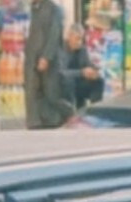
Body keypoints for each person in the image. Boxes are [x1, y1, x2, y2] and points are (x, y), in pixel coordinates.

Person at [24, 0, 66, 129]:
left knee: (51, 93)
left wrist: (46, 57)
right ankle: (35, 123)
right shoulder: (31, 10)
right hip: (31, 59)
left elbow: (54, 34)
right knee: (32, 92)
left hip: (48, 61)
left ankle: (59, 119)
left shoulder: (54, 9)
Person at [60, 24, 104, 111]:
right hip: (64, 86)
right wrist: (81, 72)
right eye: (77, 38)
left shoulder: (82, 50)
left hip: (79, 83)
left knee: (99, 81)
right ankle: (71, 112)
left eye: (81, 39)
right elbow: (61, 73)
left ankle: (95, 110)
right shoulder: (61, 49)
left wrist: (94, 70)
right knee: (69, 82)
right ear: (70, 37)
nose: (79, 42)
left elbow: (87, 64)